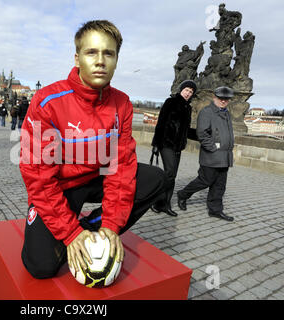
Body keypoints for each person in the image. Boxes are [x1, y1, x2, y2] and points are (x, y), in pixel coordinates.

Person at [19, 20, 167, 279]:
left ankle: (93, 227)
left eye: (108, 53)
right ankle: (70, 227)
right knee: (40, 267)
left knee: (155, 179)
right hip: (60, 186)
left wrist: (111, 224)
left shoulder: (122, 104)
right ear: (77, 59)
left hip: (95, 178)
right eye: (92, 53)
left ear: (116, 59)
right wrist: (69, 233)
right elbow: (39, 178)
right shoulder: (47, 101)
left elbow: (121, 167)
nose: (100, 61)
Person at [177, 86, 235, 222]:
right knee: (205, 180)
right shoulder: (207, 112)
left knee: (220, 184)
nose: (223, 101)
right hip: (212, 155)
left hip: (225, 156)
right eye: (221, 98)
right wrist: (213, 148)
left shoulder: (227, 113)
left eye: (226, 99)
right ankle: (183, 194)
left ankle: (215, 210)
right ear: (215, 97)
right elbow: (202, 134)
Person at [150, 80, 198, 217]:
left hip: (178, 146)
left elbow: (186, 130)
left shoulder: (188, 108)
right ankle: (159, 203)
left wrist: (202, 136)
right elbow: (160, 123)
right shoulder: (170, 102)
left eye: (191, 92)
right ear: (181, 90)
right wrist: (156, 144)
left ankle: (163, 204)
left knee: (171, 175)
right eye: (186, 90)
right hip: (166, 144)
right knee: (170, 173)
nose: (188, 93)